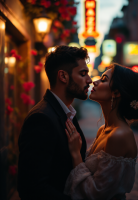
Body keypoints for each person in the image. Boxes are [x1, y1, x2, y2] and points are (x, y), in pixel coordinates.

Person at [64, 63, 138, 200]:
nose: (94, 82)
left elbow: (96, 193)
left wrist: (75, 153)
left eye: (103, 79)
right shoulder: (104, 130)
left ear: (116, 92)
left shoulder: (119, 135)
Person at [17, 45, 92, 200]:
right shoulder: (41, 119)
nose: (89, 80)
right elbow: (32, 188)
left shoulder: (67, 112)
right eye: (83, 73)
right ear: (63, 76)